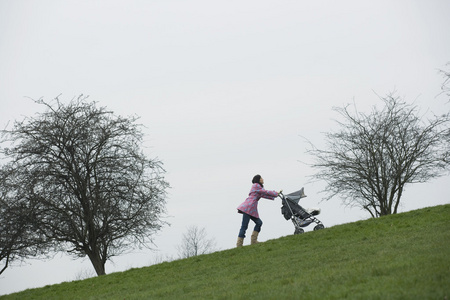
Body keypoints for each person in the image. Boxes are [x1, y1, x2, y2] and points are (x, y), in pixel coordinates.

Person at [236, 175, 281, 247]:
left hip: (251, 209)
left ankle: (253, 241)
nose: (263, 179)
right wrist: (276, 193)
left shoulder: (258, 188)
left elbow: (264, 195)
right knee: (244, 226)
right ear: (258, 179)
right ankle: (239, 244)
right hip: (248, 207)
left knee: (259, 223)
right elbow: (265, 192)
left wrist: (276, 195)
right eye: (261, 178)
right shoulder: (256, 185)